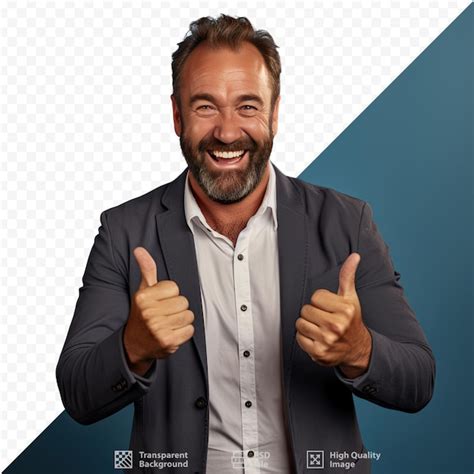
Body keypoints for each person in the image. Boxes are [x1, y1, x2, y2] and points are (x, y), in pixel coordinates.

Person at [56, 14, 435, 474]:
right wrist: (132, 345)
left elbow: (419, 380)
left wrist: (359, 350)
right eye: (205, 107)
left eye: (248, 107)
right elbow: (77, 392)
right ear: (177, 115)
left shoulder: (347, 222)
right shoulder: (123, 231)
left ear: (275, 113)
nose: (228, 132)